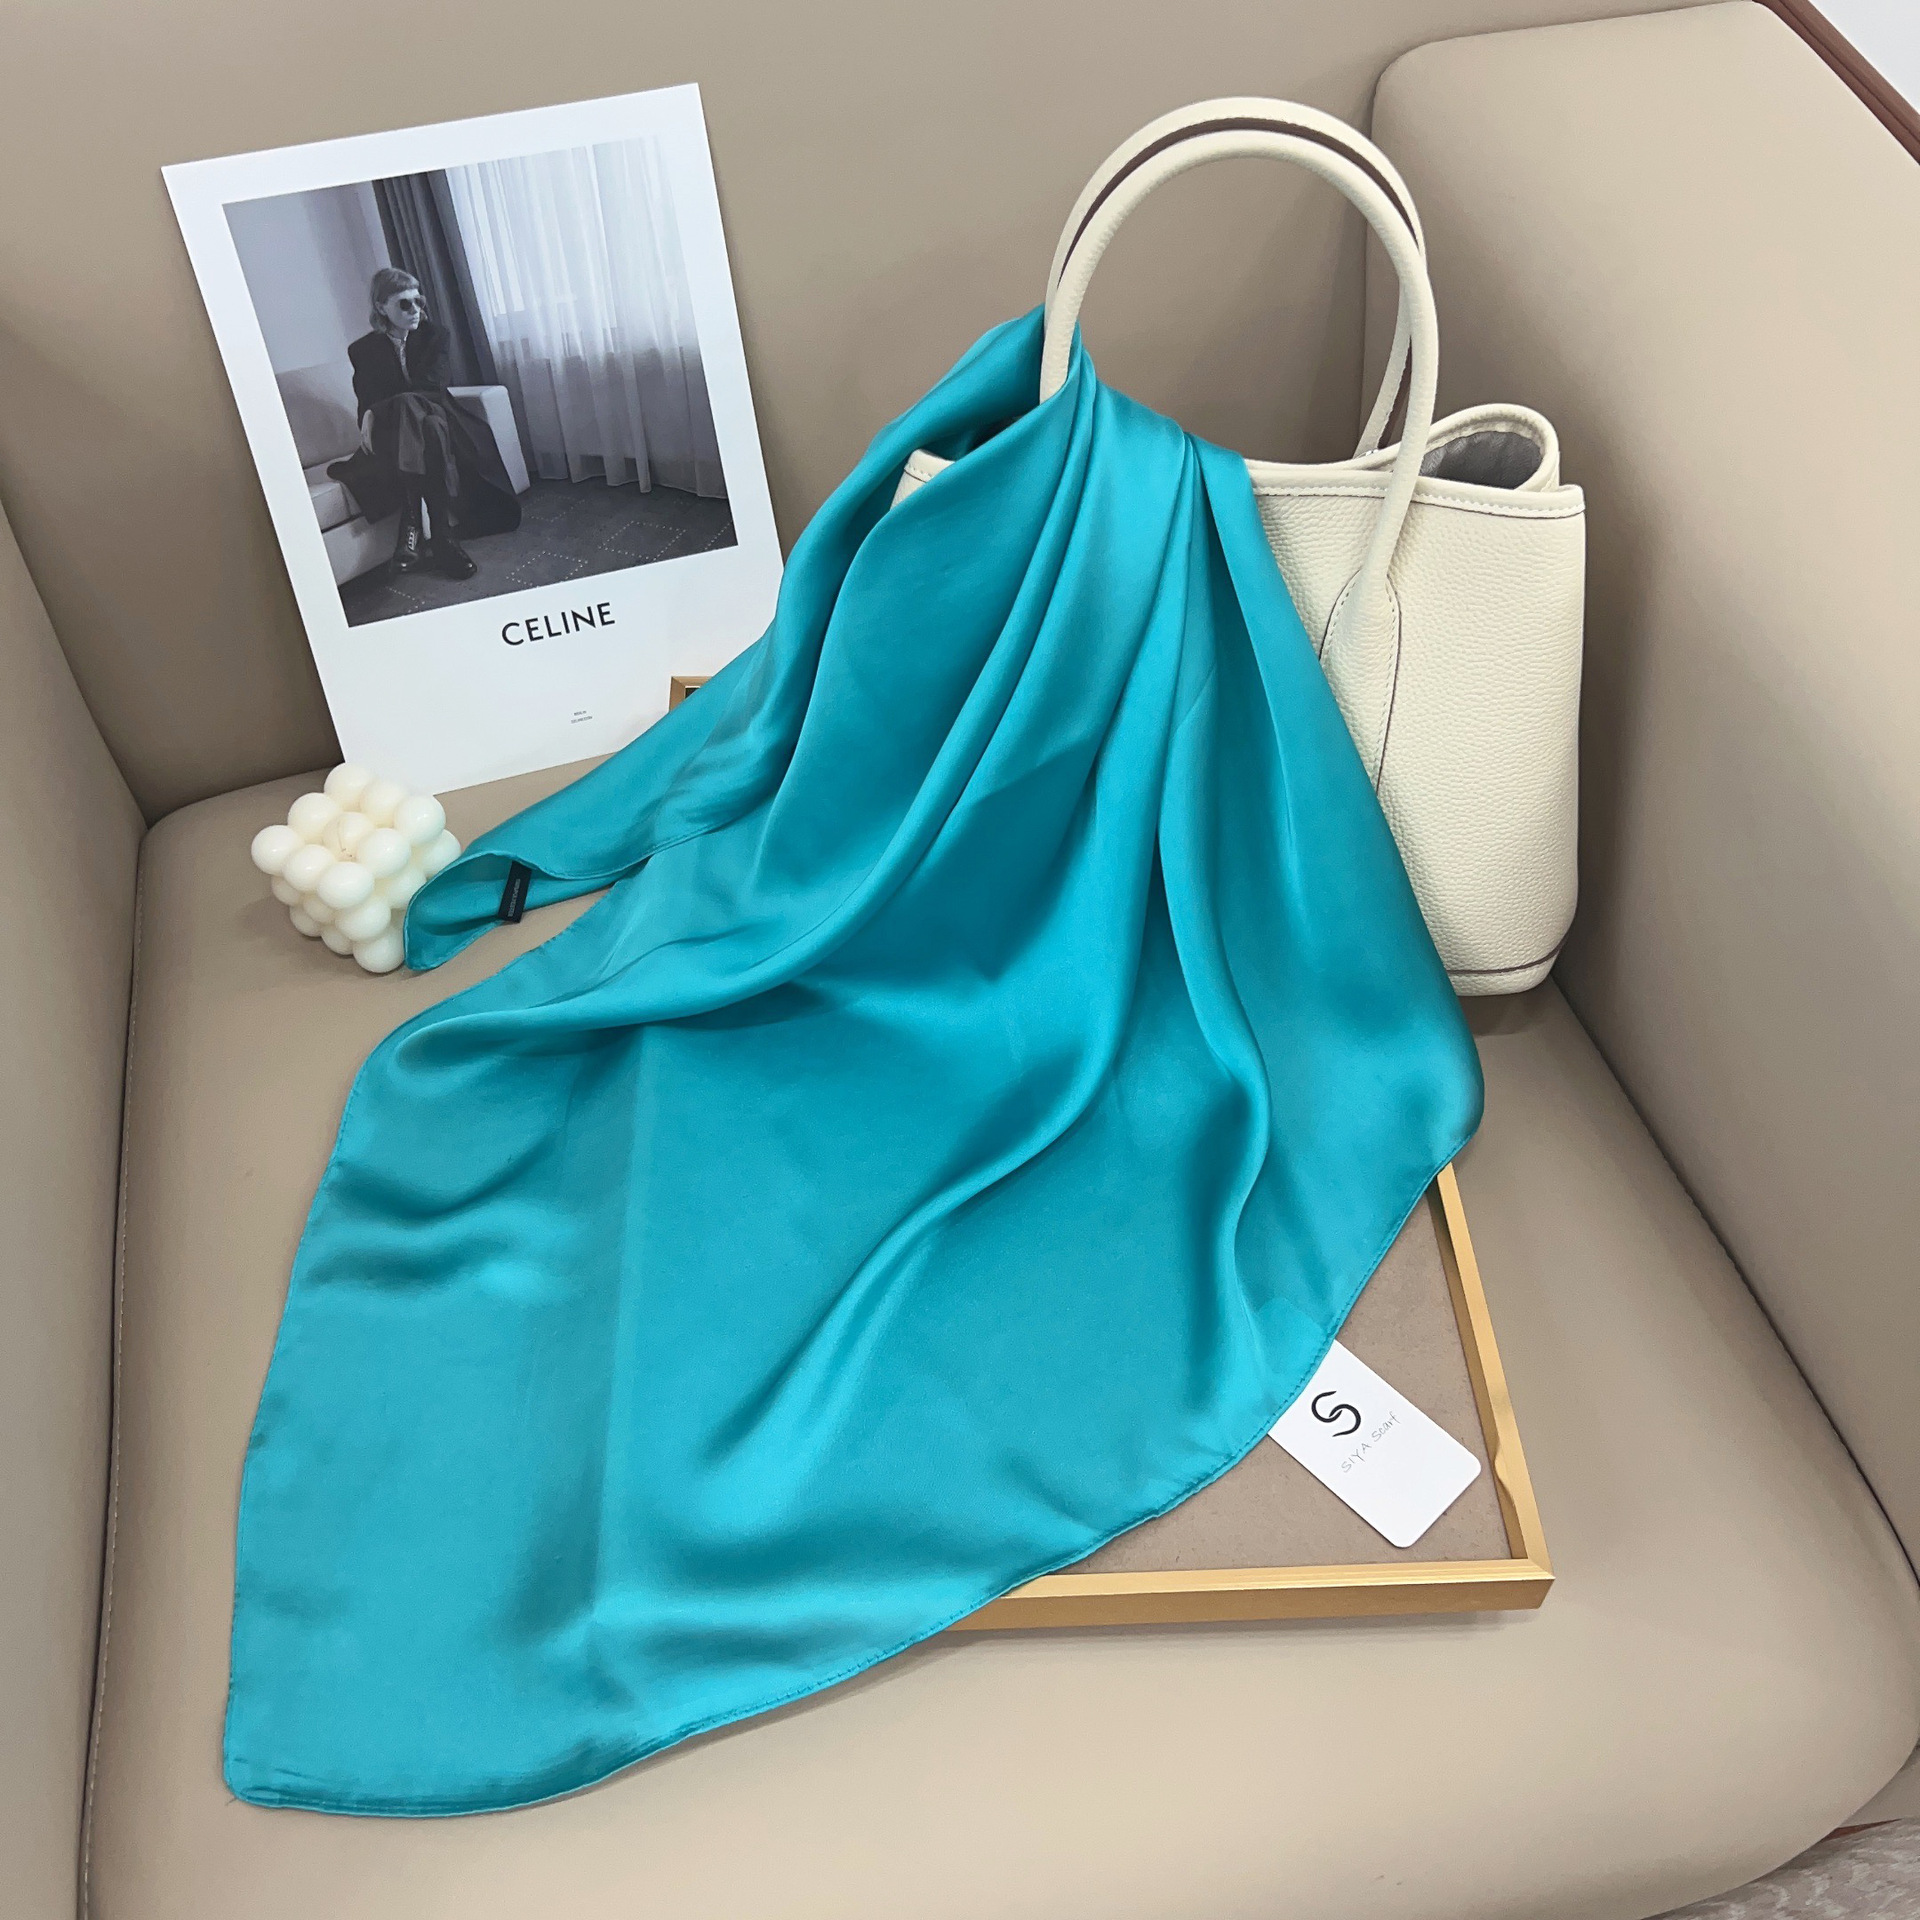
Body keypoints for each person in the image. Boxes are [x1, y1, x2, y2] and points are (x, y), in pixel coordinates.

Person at [326, 267, 520, 580]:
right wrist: (371, 413)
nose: (415, 310)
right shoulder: (361, 350)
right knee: (429, 430)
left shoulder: (435, 335)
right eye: (404, 304)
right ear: (381, 307)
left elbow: (431, 387)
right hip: (402, 432)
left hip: (441, 413)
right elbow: (367, 398)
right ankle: (443, 539)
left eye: (419, 301)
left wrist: (377, 410)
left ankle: (412, 523)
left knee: (420, 413)